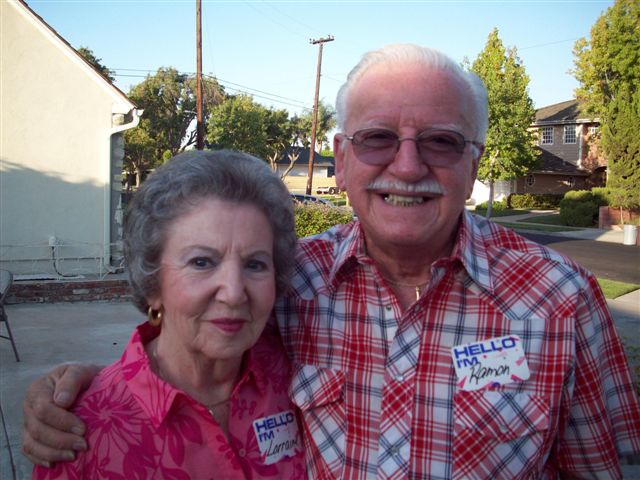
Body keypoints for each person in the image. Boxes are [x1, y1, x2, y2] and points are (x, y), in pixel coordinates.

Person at [23, 44, 640, 478]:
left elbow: (604, 467)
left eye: (442, 142)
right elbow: (190, 343)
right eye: (377, 138)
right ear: (341, 159)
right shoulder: (292, 281)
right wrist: (82, 388)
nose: (406, 166)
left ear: (474, 165)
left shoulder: (560, 298)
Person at [31, 150, 306, 479]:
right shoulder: (80, 431)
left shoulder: (296, 380)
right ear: (152, 285)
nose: (234, 292)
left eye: (255, 264)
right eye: (202, 262)